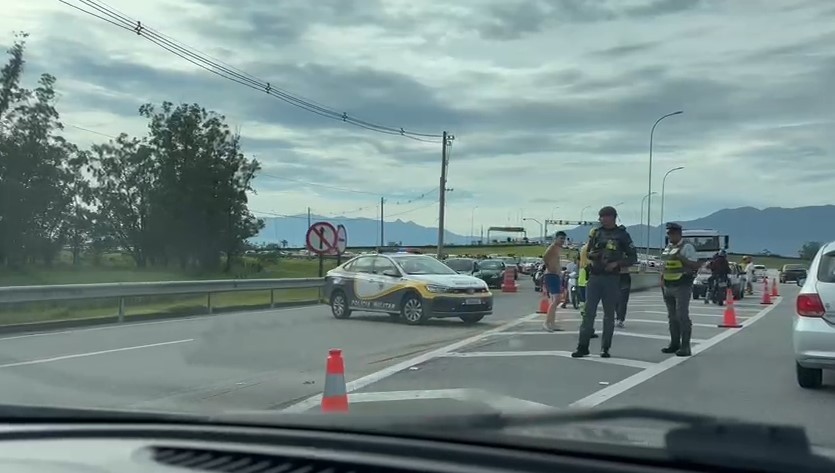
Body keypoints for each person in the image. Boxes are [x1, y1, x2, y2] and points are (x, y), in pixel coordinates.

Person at [572, 206, 637, 358]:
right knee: (588, 313)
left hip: (612, 278)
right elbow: (588, 252)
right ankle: (583, 346)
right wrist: (595, 255)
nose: (602, 219)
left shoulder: (622, 235)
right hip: (594, 277)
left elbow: (633, 257)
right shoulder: (596, 233)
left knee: (609, 315)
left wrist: (616, 263)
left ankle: (605, 348)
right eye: (600, 217)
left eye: (605, 216)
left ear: (613, 217)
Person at [660, 222, 700, 356]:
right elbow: (665, 265)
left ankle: (685, 346)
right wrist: (662, 280)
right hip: (668, 285)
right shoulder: (668, 247)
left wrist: (681, 257)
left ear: (678, 234)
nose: (670, 236)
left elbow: (695, 265)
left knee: (682, 315)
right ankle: (674, 344)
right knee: (672, 317)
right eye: (668, 234)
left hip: (682, 285)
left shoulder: (687, 247)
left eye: (672, 233)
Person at [542, 231, 568, 332]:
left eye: (563, 239)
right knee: (556, 299)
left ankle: (552, 323)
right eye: (561, 238)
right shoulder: (552, 247)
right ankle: (547, 322)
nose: (562, 241)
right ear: (556, 238)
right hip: (551, 275)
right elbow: (545, 257)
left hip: (556, 276)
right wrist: (550, 268)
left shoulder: (558, 248)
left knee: (556, 300)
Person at [615, 224, 633, 328]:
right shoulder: (628, 246)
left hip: (617, 275)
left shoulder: (614, 246)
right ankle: (620, 318)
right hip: (623, 274)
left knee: (617, 299)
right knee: (622, 299)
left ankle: (619, 317)